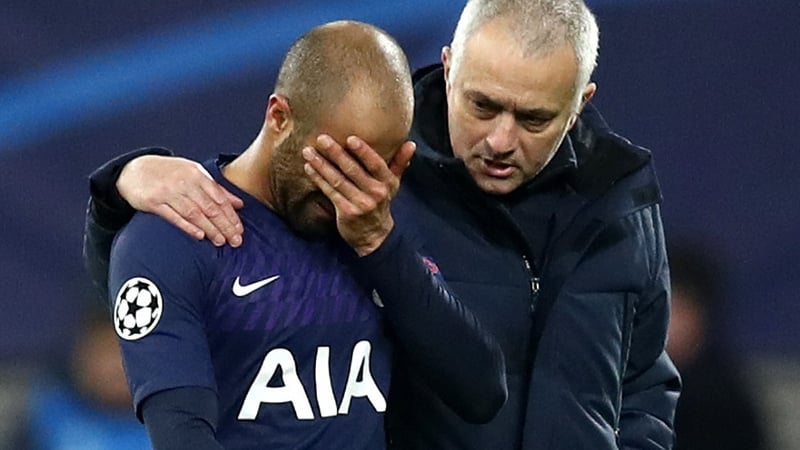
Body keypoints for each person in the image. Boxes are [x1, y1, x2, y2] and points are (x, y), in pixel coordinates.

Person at [84, 1, 681, 448]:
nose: (500, 139)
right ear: (448, 72)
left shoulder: (619, 203)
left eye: (533, 118)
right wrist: (118, 187)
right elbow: (154, 290)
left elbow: (640, 386)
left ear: (580, 103)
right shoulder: (383, 179)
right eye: (482, 105)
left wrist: (380, 241)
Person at [101, 20, 506, 450]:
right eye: (335, 163)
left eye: (373, 167)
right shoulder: (177, 234)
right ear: (280, 117)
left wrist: (378, 244)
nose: (346, 191)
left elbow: (480, 391)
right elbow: (182, 435)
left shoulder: (381, 220)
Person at [667, 239, 768, 450]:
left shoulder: (723, 401)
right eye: (663, 309)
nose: (672, 325)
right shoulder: (617, 388)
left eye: (681, 311)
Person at [24, 301, 150, 450]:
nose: (118, 366)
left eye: (127, 352)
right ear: (81, 356)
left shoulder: (173, 415)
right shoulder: (53, 410)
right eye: (106, 351)